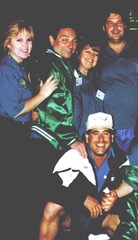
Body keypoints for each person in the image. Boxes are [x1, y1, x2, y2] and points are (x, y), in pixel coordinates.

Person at [26, 19, 87, 238]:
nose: (70, 45)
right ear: (52, 40)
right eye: (64, 39)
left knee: (60, 205)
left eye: (73, 41)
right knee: (53, 205)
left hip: (53, 141)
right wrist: (72, 139)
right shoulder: (49, 63)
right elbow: (51, 105)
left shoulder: (62, 63)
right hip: (46, 142)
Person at [0, 19, 58, 237]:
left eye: (29, 40)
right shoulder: (7, 69)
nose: (25, 45)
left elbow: (21, 105)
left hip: (18, 133)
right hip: (9, 135)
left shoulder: (19, 68)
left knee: (20, 194)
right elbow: (13, 110)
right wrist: (42, 95)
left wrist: (31, 109)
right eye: (19, 40)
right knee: (13, 195)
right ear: (8, 43)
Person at [39, 112, 129, 240]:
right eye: (95, 133)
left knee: (128, 226)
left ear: (112, 137)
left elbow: (130, 191)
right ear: (87, 137)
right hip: (74, 213)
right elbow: (52, 187)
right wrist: (82, 197)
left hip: (102, 216)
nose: (101, 139)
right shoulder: (74, 155)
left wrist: (114, 200)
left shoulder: (121, 161)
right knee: (51, 208)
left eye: (106, 133)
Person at [96, 4, 138, 152]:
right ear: (103, 27)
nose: (115, 27)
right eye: (110, 23)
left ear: (125, 26)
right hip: (107, 128)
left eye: (119, 22)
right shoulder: (96, 55)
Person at [72, 35, 104, 138]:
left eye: (96, 54)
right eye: (87, 52)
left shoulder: (97, 80)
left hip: (98, 136)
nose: (91, 56)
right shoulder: (69, 79)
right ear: (78, 54)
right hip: (78, 137)